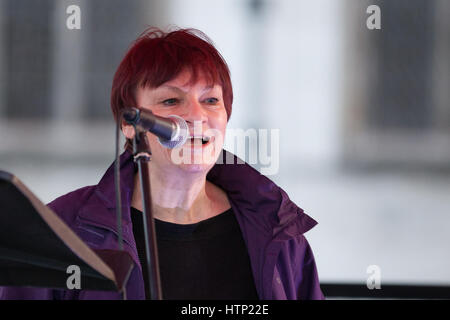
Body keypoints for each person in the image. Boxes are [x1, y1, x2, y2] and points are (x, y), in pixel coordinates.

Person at [0, 27, 324, 300]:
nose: (196, 116)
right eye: (171, 100)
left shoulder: (277, 230)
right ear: (130, 123)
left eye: (211, 100)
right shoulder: (64, 228)